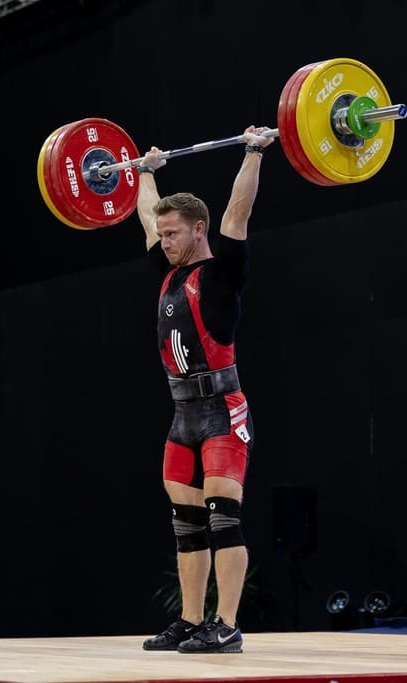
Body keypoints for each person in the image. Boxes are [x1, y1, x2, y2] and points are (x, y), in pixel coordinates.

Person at [137, 126, 273, 654]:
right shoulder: (166, 273)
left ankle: (228, 624)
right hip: (181, 416)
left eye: (171, 233)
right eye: (161, 233)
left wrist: (253, 152)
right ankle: (192, 621)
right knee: (186, 526)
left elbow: (238, 212)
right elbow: (148, 212)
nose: (163, 241)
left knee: (223, 519)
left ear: (198, 229)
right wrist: (144, 173)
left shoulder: (222, 273)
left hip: (222, 411)